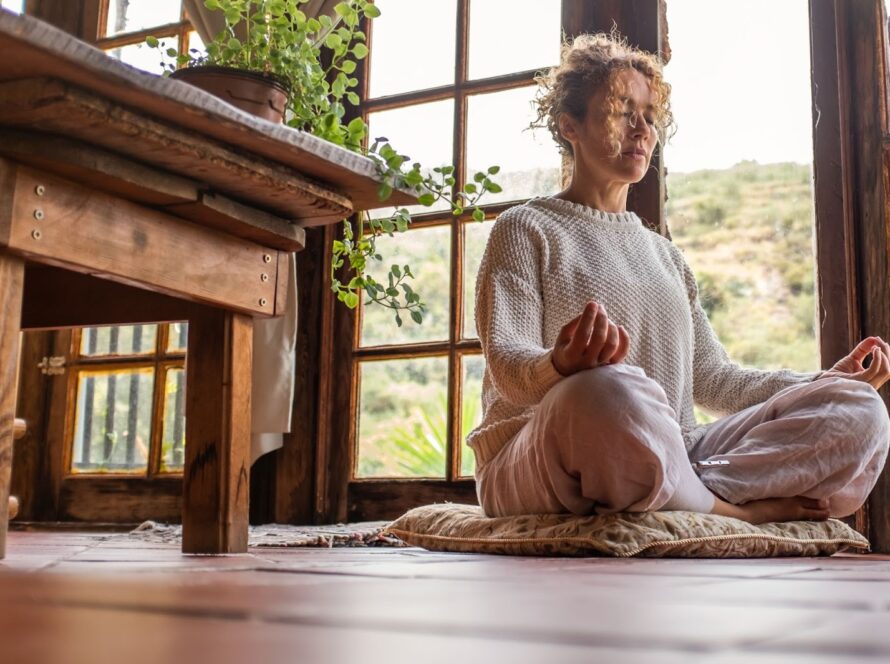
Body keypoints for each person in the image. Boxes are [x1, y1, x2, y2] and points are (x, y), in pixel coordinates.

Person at [467, 32, 890, 525]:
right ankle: (731, 509)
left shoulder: (664, 256)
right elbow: (507, 365)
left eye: (648, 116)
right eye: (623, 111)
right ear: (570, 126)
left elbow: (716, 381)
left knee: (856, 408)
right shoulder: (526, 228)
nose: (641, 129)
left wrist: (822, 380)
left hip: (670, 454)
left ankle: (682, 492)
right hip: (538, 457)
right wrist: (560, 365)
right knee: (600, 391)